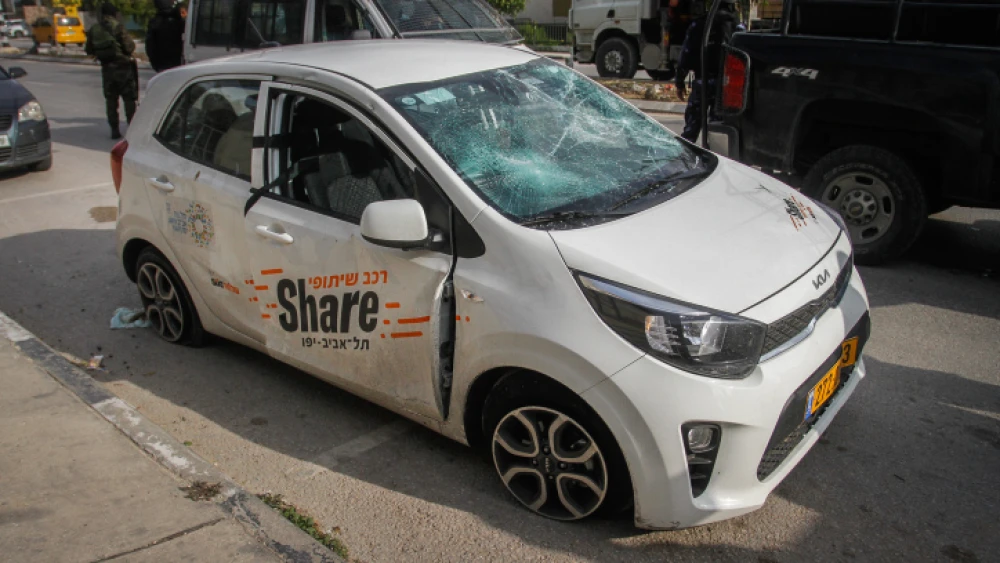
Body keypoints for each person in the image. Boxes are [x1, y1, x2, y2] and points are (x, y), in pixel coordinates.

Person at [674, 0, 743, 142]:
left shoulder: (700, 23)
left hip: (702, 82)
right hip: (725, 88)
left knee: (690, 134)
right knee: (718, 134)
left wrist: (679, 82)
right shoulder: (738, 28)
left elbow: (686, 55)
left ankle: (685, 160)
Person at [85, 3, 137, 139]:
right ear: (114, 13)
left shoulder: (94, 29)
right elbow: (129, 47)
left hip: (107, 69)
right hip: (123, 68)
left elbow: (88, 50)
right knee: (129, 99)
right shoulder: (118, 27)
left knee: (111, 101)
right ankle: (132, 129)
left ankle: (114, 129)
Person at [146, 0, 186, 72]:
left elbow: (150, 46)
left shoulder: (155, 22)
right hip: (178, 63)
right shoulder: (179, 21)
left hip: (161, 64)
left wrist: (154, 63)